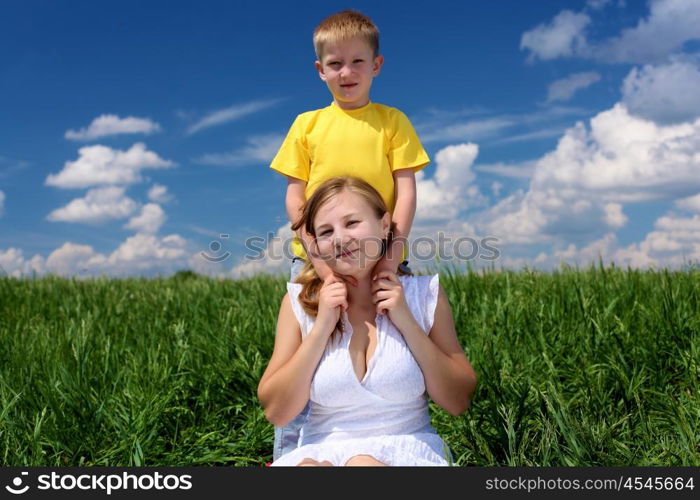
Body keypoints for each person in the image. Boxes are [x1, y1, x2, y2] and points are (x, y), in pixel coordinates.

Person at [269, 9, 430, 458]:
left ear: (376, 66)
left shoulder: (392, 121)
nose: (347, 72)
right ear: (320, 71)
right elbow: (295, 198)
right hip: (321, 254)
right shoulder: (307, 125)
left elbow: (406, 191)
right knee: (314, 341)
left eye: (358, 62)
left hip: (380, 252)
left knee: (390, 332)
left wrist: (391, 255)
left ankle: (400, 429)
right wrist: (318, 259)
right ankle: (295, 447)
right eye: (335, 64)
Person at [257, 177, 477, 466]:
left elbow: (458, 400)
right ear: (317, 245)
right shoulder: (299, 302)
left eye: (352, 223)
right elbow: (277, 412)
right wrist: (322, 328)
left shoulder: (424, 295)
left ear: (384, 225)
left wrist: (406, 321)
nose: (339, 239)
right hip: (318, 451)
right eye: (326, 231)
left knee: (362, 465)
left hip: (406, 451)